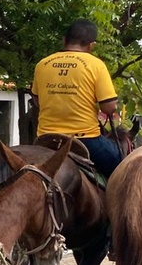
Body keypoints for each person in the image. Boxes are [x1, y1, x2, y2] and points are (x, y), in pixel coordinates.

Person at [30, 19, 123, 177]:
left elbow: (37, 100)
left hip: (45, 139)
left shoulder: (43, 64)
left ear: (64, 40)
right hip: (85, 140)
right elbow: (109, 108)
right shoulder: (96, 65)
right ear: (92, 45)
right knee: (124, 168)